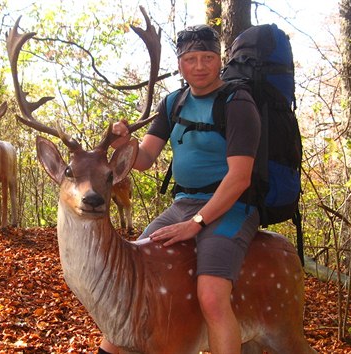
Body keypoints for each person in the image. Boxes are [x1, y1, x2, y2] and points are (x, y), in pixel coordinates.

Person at [99, 24, 261, 354]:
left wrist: (196, 224)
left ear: (220, 60)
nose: (199, 66)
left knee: (212, 296)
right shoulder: (173, 102)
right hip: (183, 202)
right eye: (191, 59)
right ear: (180, 63)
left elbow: (240, 178)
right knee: (135, 271)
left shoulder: (237, 102)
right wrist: (125, 142)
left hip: (232, 207)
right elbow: (143, 159)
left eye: (207, 57)